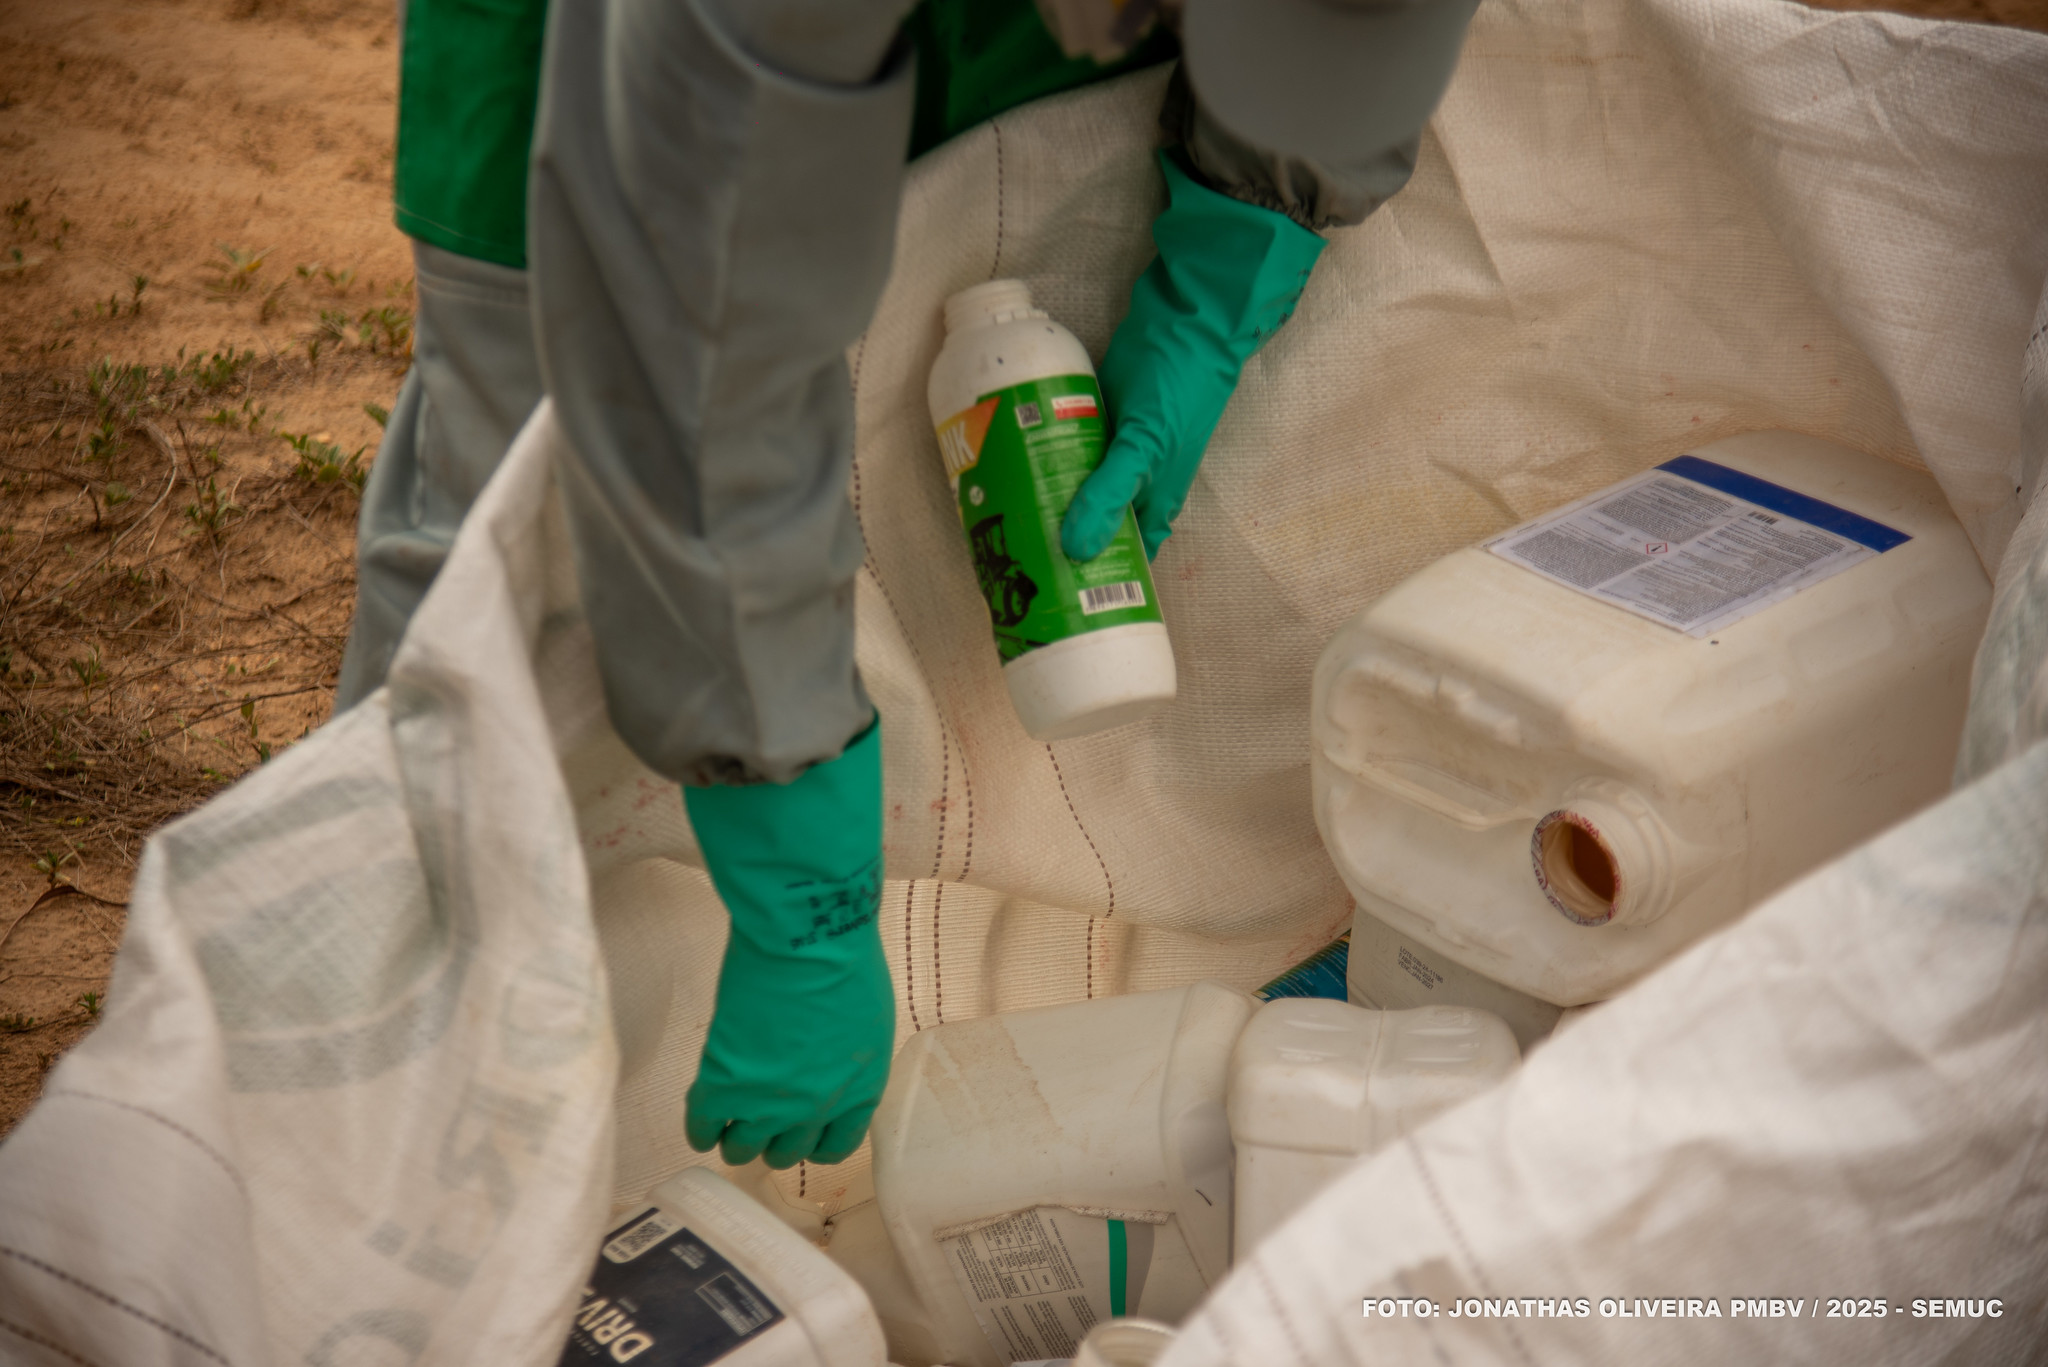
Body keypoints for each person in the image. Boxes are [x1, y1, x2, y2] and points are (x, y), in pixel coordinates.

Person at [338, 0, 1480, 1171]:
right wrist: (809, 903)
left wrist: (1223, 266)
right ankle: (364, 1104)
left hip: (1004, 62)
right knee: (517, 566)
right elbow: (688, 380)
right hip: (655, 106)